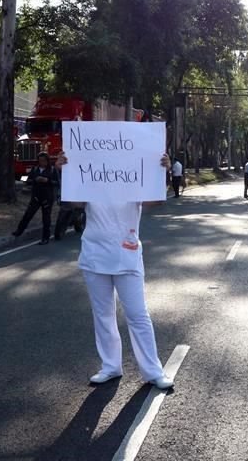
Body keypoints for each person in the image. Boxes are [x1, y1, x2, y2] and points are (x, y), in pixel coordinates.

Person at [57, 152, 175, 390]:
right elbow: (74, 203)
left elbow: (156, 200)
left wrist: (163, 172)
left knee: (138, 314)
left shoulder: (133, 179)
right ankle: (110, 366)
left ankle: (153, 371)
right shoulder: (91, 179)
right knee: (103, 314)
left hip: (126, 255)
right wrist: (64, 172)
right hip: (94, 254)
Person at [13, 152, 58, 244]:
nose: (42, 162)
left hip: (47, 197)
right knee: (28, 214)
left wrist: (47, 180)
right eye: (40, 161)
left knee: (46, 218)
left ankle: (45, 238)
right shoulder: (34, 169)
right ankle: (19, 231)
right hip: (36, 196)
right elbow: (27, 180)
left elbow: (57, 182)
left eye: (44, 161)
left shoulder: (52, 170)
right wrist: (35, 180)